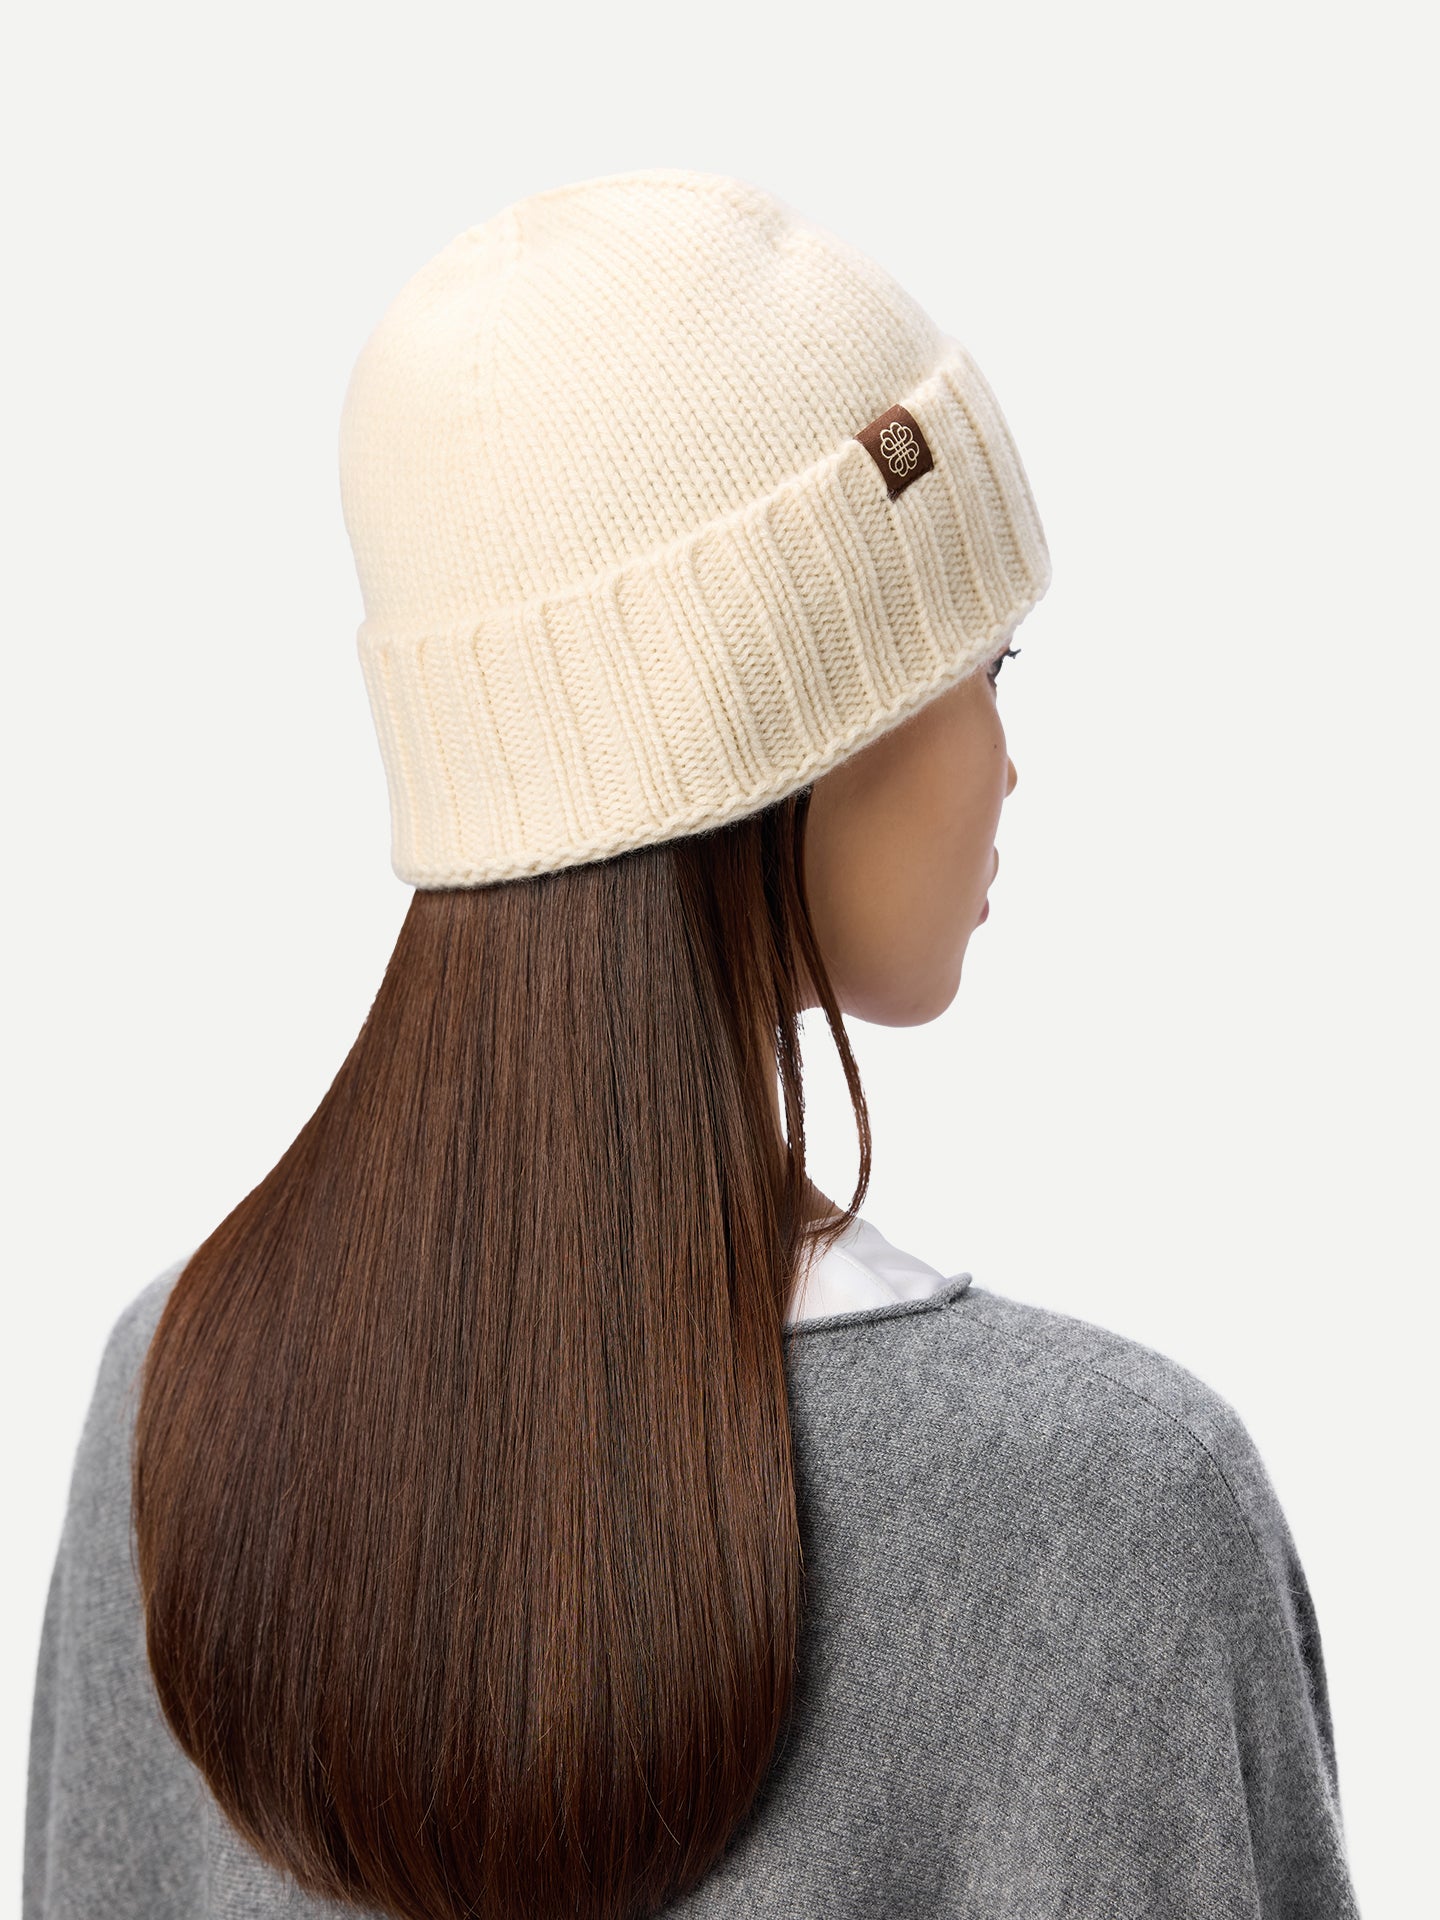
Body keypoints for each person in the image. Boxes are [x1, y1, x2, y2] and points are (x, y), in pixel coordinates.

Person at [24, 167, 1361, 1919]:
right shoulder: (1113, 1507)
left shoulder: (178, 1399)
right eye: (990, 666)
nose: (1008, 761)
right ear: (796, 737)